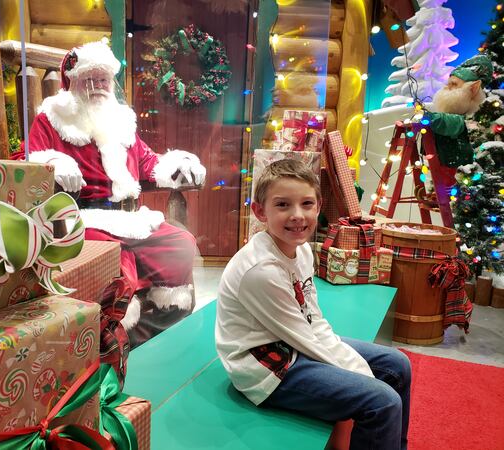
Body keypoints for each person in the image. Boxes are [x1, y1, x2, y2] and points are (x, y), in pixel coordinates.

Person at [215, 159, 411, 450]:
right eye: (282, 205)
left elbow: (312, 319)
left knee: (398, 364)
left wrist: (356, 369)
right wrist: (364, 377)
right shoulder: (261, 271)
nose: (297, 215)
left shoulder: (302, 250)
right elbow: (305, 337)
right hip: (265, 366)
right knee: (381, 401)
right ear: (260, 212)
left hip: (292, 341)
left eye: (307, 204)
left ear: (318, 207)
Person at [22, 39, 206, 347]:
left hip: (128, 216)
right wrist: (52, 161)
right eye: (89, 79)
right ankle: (114, 339)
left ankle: (159, 325)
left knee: (180, 243)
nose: (98, 86)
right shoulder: (52, 119)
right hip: (82, 218)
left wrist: (178, 165)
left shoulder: (120, 122)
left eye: (104, 79)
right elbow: (24, 159)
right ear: (73, 83)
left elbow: (148, 162)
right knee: (119, 264)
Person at [427, 54, 492, 183]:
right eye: (448, 83)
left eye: (454, 84)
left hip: (462, 177)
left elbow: (444, 122)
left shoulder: (469, 121)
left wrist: (427, 118)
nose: (447, 88)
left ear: (473, 89)